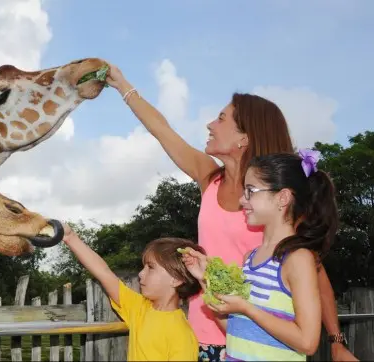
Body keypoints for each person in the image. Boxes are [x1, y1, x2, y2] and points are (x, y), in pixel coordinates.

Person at [103, 63, 358, 362]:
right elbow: (162, 130)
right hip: (203, 336)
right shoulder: (209, 178)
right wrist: (122, 86)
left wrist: (337, 342)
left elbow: (315, 276)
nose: (210, 124)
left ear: (244, 138)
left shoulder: (275, 204)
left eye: (221, 118)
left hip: (259, 342)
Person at [180, 150, 338, 360]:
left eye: (250, 190)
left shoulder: (298, 259)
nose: (242, 200)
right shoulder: (250, 258)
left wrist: (247, 308)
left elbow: (308, 342)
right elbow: (237, 331)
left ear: (282, 198)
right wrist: (205, 280)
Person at [62, 224, 204, 361]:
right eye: (144, 267)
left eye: (151, 267)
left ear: (176, 280)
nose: (141, 274)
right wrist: (70, 237)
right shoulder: (139, 308)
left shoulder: (182, 335)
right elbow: (103, 272)